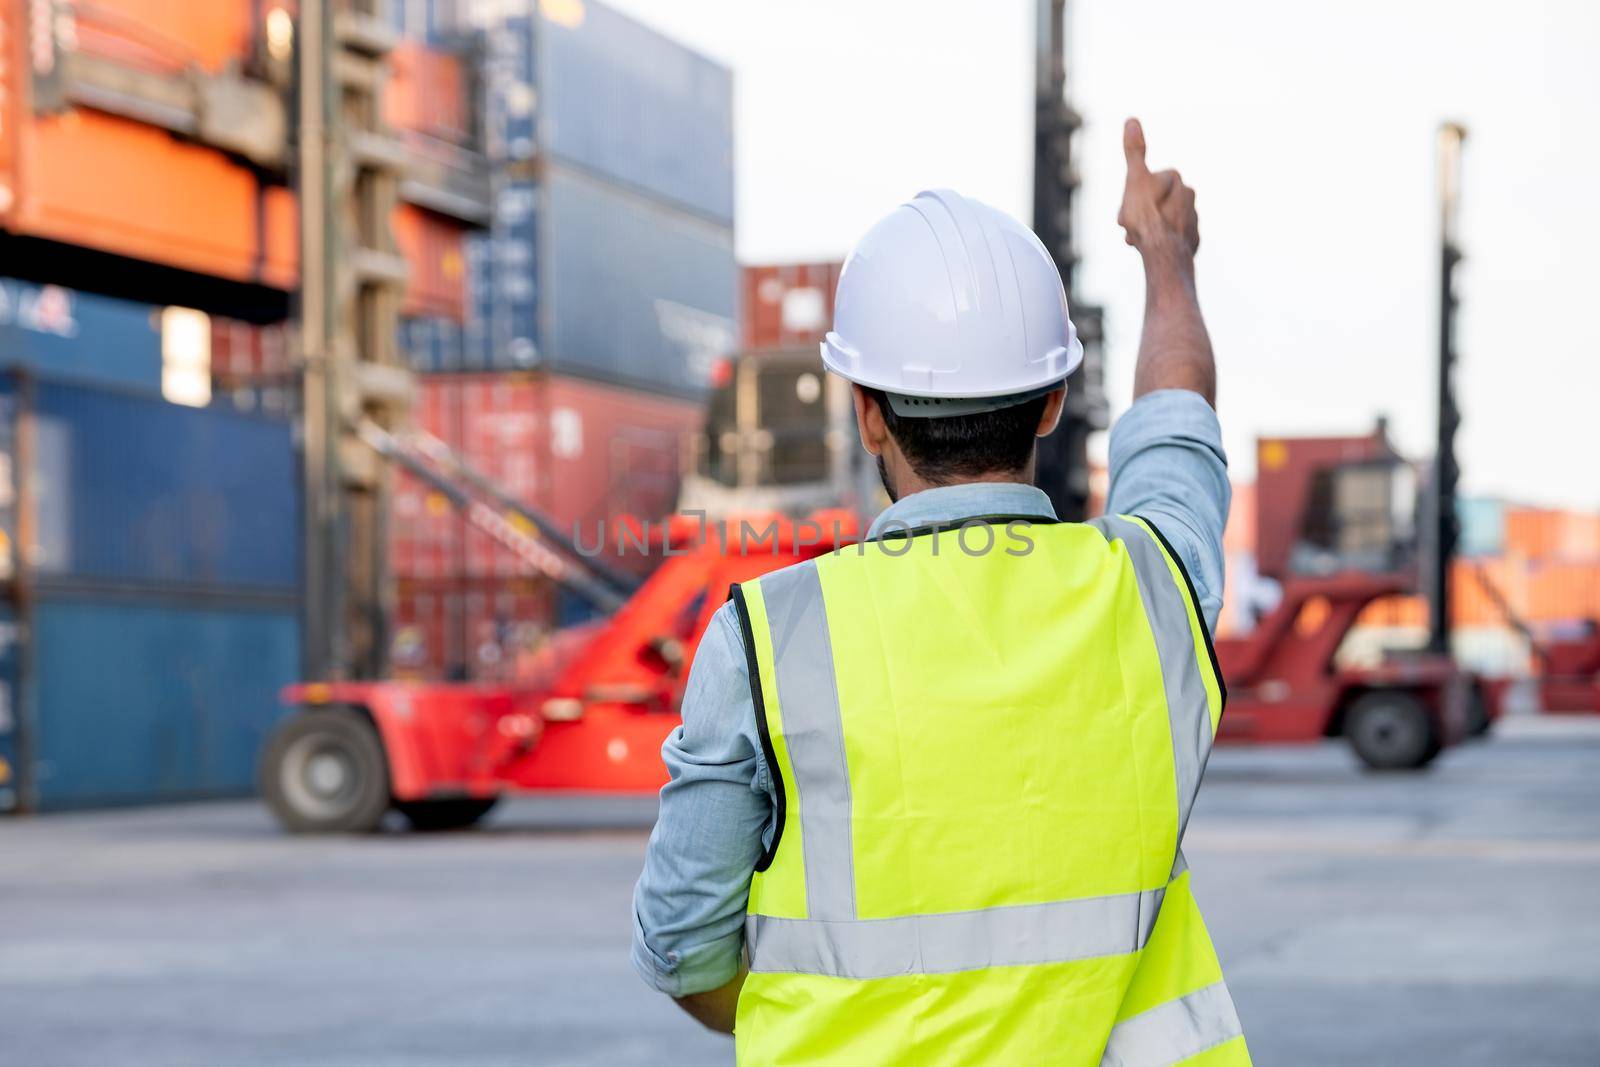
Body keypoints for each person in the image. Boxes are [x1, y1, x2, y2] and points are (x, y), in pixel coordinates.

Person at [632, 118, 1248, 1066]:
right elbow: (1177, 424)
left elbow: (682, 942)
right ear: (1052, 402)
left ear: (866, 412)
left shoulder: (769, 635)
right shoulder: (1152, 592)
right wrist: (1167, 262)